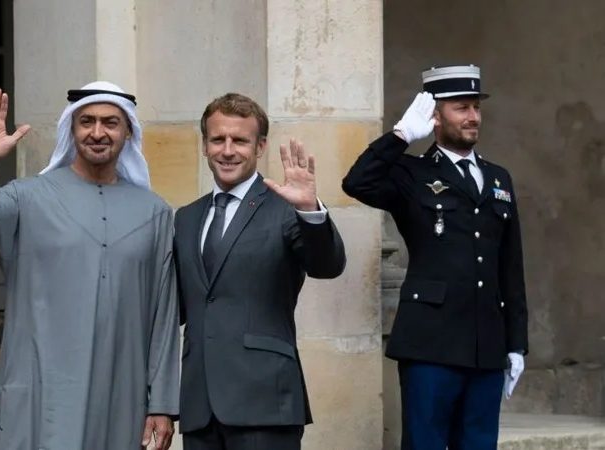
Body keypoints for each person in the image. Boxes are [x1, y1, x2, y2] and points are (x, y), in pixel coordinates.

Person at [0, 81, 179, 450]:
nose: (97, 132)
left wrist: (163, 404)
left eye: (110, 122)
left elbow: (163, 319)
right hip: (41, 398)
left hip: (121, 398)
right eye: (86, 121)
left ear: (128, 132)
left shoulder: (155, 214)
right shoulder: (26, 198)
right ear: (71, 129)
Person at [342, 65, 528, 450]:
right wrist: (400, 136)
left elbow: (510, 266)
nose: (473, 117)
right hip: (430, 344)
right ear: (435, 115)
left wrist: (516, 343)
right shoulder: (412, 173)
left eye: (476, 107)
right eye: (461, 107)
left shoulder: (498, 178)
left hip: (486, 346)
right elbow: (356, 182)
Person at [173, 93, 346, 450]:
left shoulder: (286, 208)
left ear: (260, 146)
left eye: (240, 140)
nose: (227, 150)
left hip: (266, 402)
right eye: (218, 139)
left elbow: (327, 265)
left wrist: (310, 210)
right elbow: (175, 307)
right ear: (204, 145)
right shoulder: (186, 217)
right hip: (199, 407)